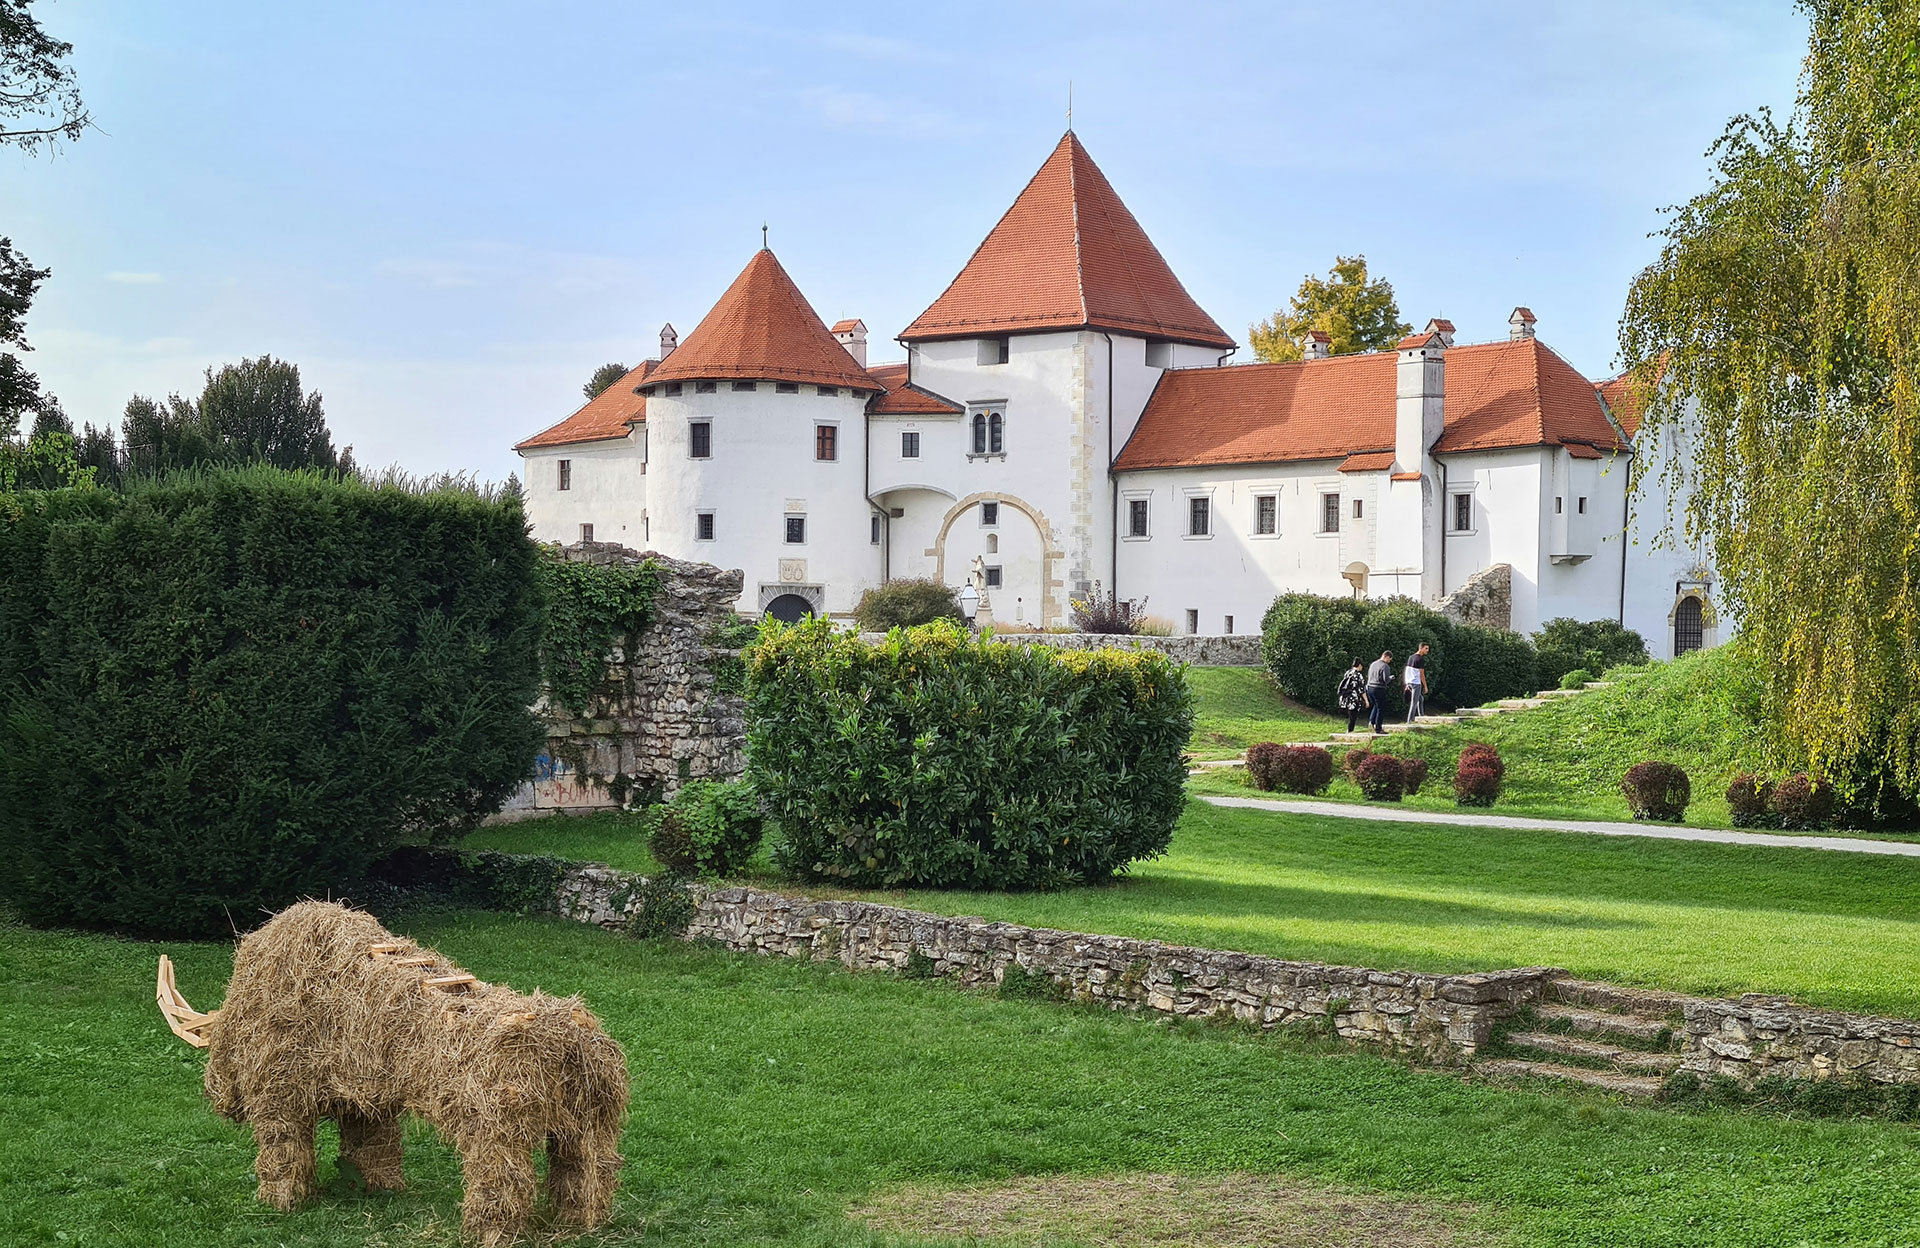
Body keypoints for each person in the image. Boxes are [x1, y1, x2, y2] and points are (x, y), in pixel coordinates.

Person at [1365, 650, 1395, 734]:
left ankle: (1371, 722)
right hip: (1378, 688)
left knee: (1376, 705)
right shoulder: (1385, 666)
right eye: (1390, 659)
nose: (1389, 661)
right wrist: (1391, 678)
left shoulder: (1373, 664)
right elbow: (1385, 680)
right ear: (1387, 657)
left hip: (1369, 687)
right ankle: (1378, 728)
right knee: (1381, 708)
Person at [1336, 659, 1368, 732]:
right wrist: (1366, 700)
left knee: (1350, 713)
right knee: (1353, 714)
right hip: (1354, 697)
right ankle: (1350, 729)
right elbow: (1362, 689)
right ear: (1359, 665)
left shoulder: (1348, 672)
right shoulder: (1358, 675)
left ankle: (1349, 729)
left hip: (1346, 696)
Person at [1405, 641, 1432, 722]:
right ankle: (1410, 720)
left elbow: (1407, 670)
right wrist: (1425, 686)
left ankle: (1421, 716)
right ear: (1421, 648)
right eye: (1426, 648)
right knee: (1414, 702)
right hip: (1416, 683)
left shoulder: (1411, 657)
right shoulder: (1420, 659)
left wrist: (1407, 682)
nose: (1427, 650)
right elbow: (1421, 674)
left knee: (1420, 699)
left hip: (1409, 681)